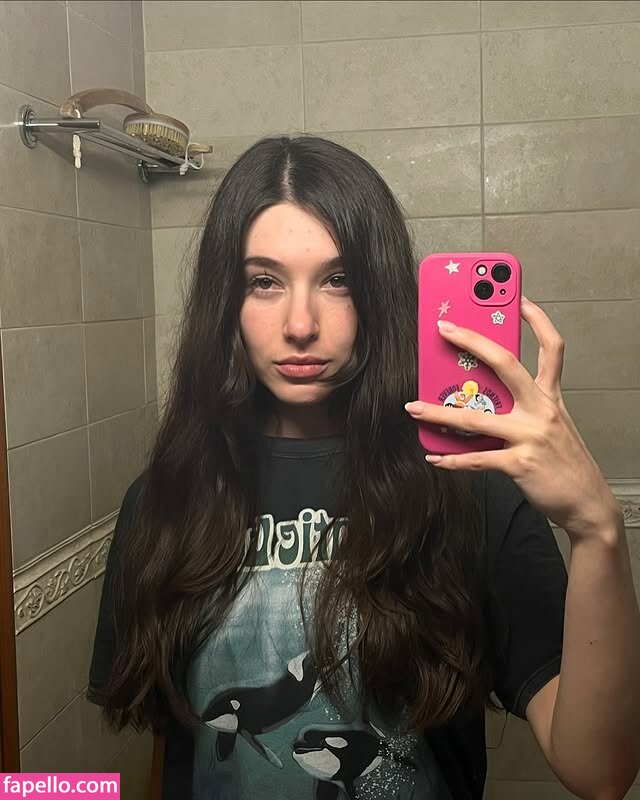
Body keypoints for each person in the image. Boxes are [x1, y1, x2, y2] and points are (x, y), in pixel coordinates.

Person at [87, 135, 640, 800]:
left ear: (378, 293)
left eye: (338, 279)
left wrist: (598, 530)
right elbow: (177, 745)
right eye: (264, 282)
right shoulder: (163, 501)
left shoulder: (467, 486)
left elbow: (600, 772)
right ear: (224, 301)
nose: (300, 324)